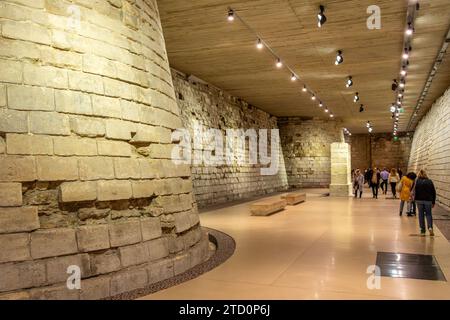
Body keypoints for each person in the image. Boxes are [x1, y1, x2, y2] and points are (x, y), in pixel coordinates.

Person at [414, 170, 436, 236]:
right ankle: (430, 227)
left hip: (419, 200)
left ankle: (422, 231)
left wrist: (415, 199)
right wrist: (433, 202)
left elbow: (415, 191)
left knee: (421, 215)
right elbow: (433, 192)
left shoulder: (417, 181)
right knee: (428, 214)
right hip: (428, 201)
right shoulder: (430, 181)